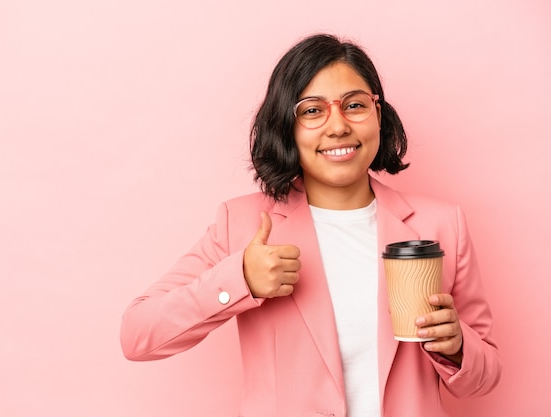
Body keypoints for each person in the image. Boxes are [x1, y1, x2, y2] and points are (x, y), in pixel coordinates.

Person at [120, 33, 501, 417]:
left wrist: (457, 346)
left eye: (354, 105)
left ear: (378, 115)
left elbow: (485, 378)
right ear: (287, 125)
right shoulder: (242, 225)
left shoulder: (440, 225)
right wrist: (239, 280)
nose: (338, 127)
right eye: (312, 110)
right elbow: (137, 335)